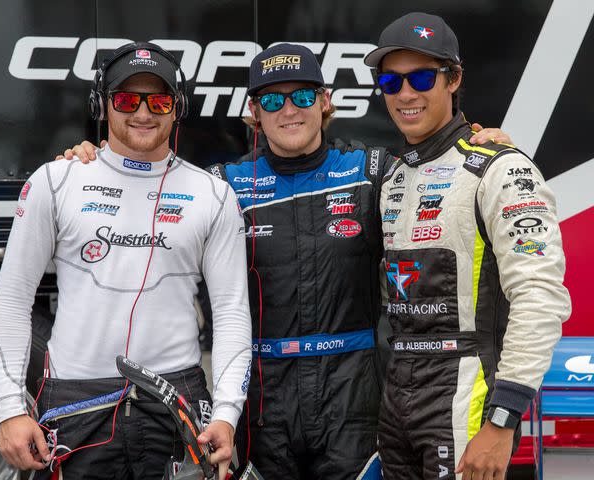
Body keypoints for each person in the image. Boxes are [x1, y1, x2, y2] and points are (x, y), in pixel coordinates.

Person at [61, 43, 510, 479]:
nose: (288, 110)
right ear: (253, 112)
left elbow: (439, 175)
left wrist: (476, 143)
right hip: (262, 401)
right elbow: (140, 196)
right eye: (272, 99)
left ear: (325, 102)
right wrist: (90, 162)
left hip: (353, 397)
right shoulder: (221, 186)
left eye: (302, 96)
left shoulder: (371, 170)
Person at [0, 42, 251, 480]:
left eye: (159, 100)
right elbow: (13, 299)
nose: (143, 113)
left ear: (177, 108)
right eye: (127, 99)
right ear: (102, 104)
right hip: (76, 406)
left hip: (176, 403)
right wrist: (10, 409)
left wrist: (225, 413)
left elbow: (231, 313)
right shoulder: (57, 181)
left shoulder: (213, 194)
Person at [363, 12, 572, 480]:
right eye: (391, 82)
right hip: (396, 398)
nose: (405, 94)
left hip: (467, 395)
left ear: (453, 78)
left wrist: (502, 418)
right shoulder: (394, 177)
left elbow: (540, 296)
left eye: (420, 77)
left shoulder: (500, 169)